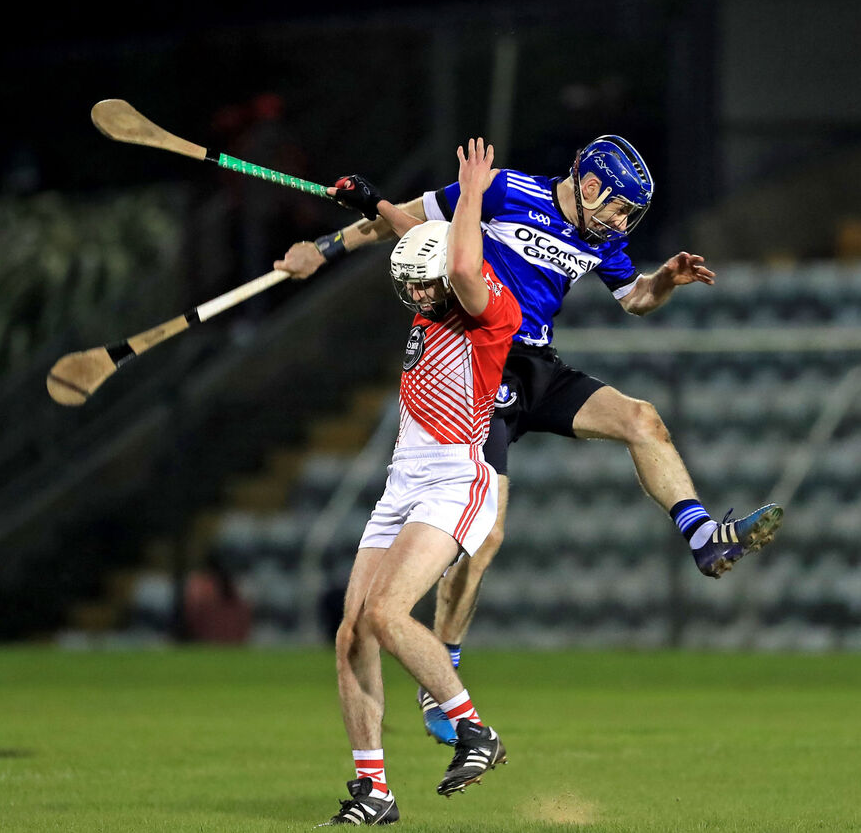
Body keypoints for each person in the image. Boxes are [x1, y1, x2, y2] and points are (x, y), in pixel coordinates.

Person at [275, 136, 783, 747]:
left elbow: (636, 300)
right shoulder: (505, 188)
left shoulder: (603, 240)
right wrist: (325, 249)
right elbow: (403, 226)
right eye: (619, 208)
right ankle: (445, 671)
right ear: (590, 184)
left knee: (641, 420)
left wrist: (665, 280)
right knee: (486, 536)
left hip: (538, 365)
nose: (622, 224)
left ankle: (702, 537)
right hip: (481, 361)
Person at [300, 140, 520, 826]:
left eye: (429, 284)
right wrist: (372, 204)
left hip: (456, 480)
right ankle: (374, 790)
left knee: (389, 614)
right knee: (351, 633)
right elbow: (417, 240)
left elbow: (454, 259)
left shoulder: (490, 308)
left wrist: (470, 191)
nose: (422, 294)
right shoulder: (430, 299)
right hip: (402, 486)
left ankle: (475, 731)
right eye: (413, 286)